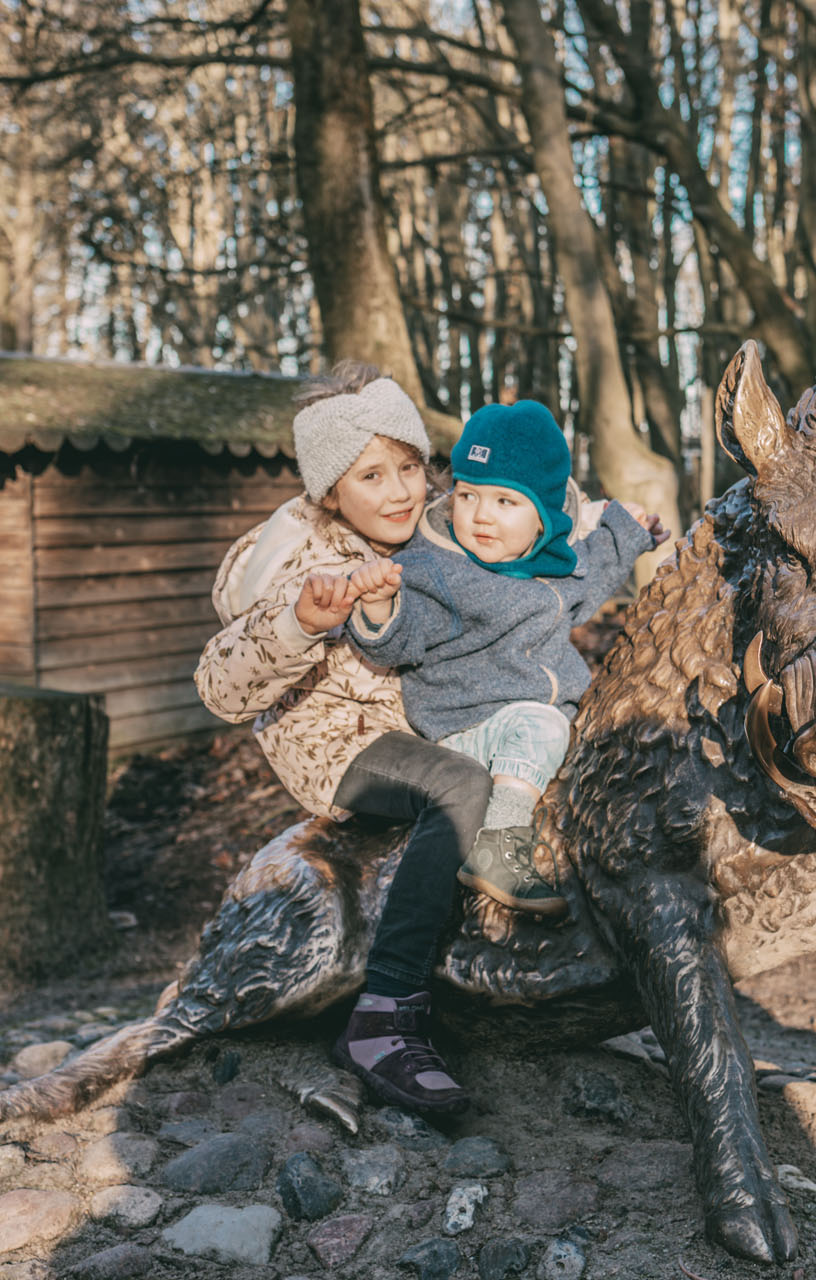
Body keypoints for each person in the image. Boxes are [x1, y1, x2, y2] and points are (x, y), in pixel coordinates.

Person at [195, 363, 489, 1117]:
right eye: (370, 476)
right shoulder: (304, 563)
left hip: (426, 717)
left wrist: (612, 527)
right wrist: (300, 621)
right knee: (456, 786)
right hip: (336, 742)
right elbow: (219, 687)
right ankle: (384, 1019)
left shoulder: (434, 528)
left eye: (409, 468)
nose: (398, 492)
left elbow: (518, 528)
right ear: (329, 491)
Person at [326, 400, 666, 916]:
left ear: (544, 519)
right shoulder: (437, 573)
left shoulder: (550, 568)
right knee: (543, 727)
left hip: (533, 725)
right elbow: (401, 639)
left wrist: (630, 531)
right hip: (469, 728)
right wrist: (378, 607)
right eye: (468, 495)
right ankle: (497, 849)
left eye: (506, 502)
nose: (481, 515)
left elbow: (594, 570)